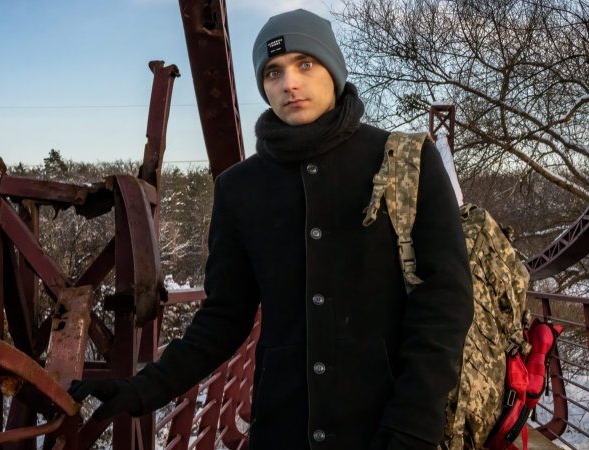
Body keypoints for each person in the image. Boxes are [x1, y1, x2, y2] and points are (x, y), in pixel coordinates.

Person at [69, 9, 473, 450]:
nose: (289, 83)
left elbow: (445, 303)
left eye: (305, 64)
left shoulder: (406, 163)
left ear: (333, 70)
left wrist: (412, 427)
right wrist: (144, 387)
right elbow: (224, 317)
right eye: (273, 72)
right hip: (282, 428)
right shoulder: (240, 188)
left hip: (386, 427)